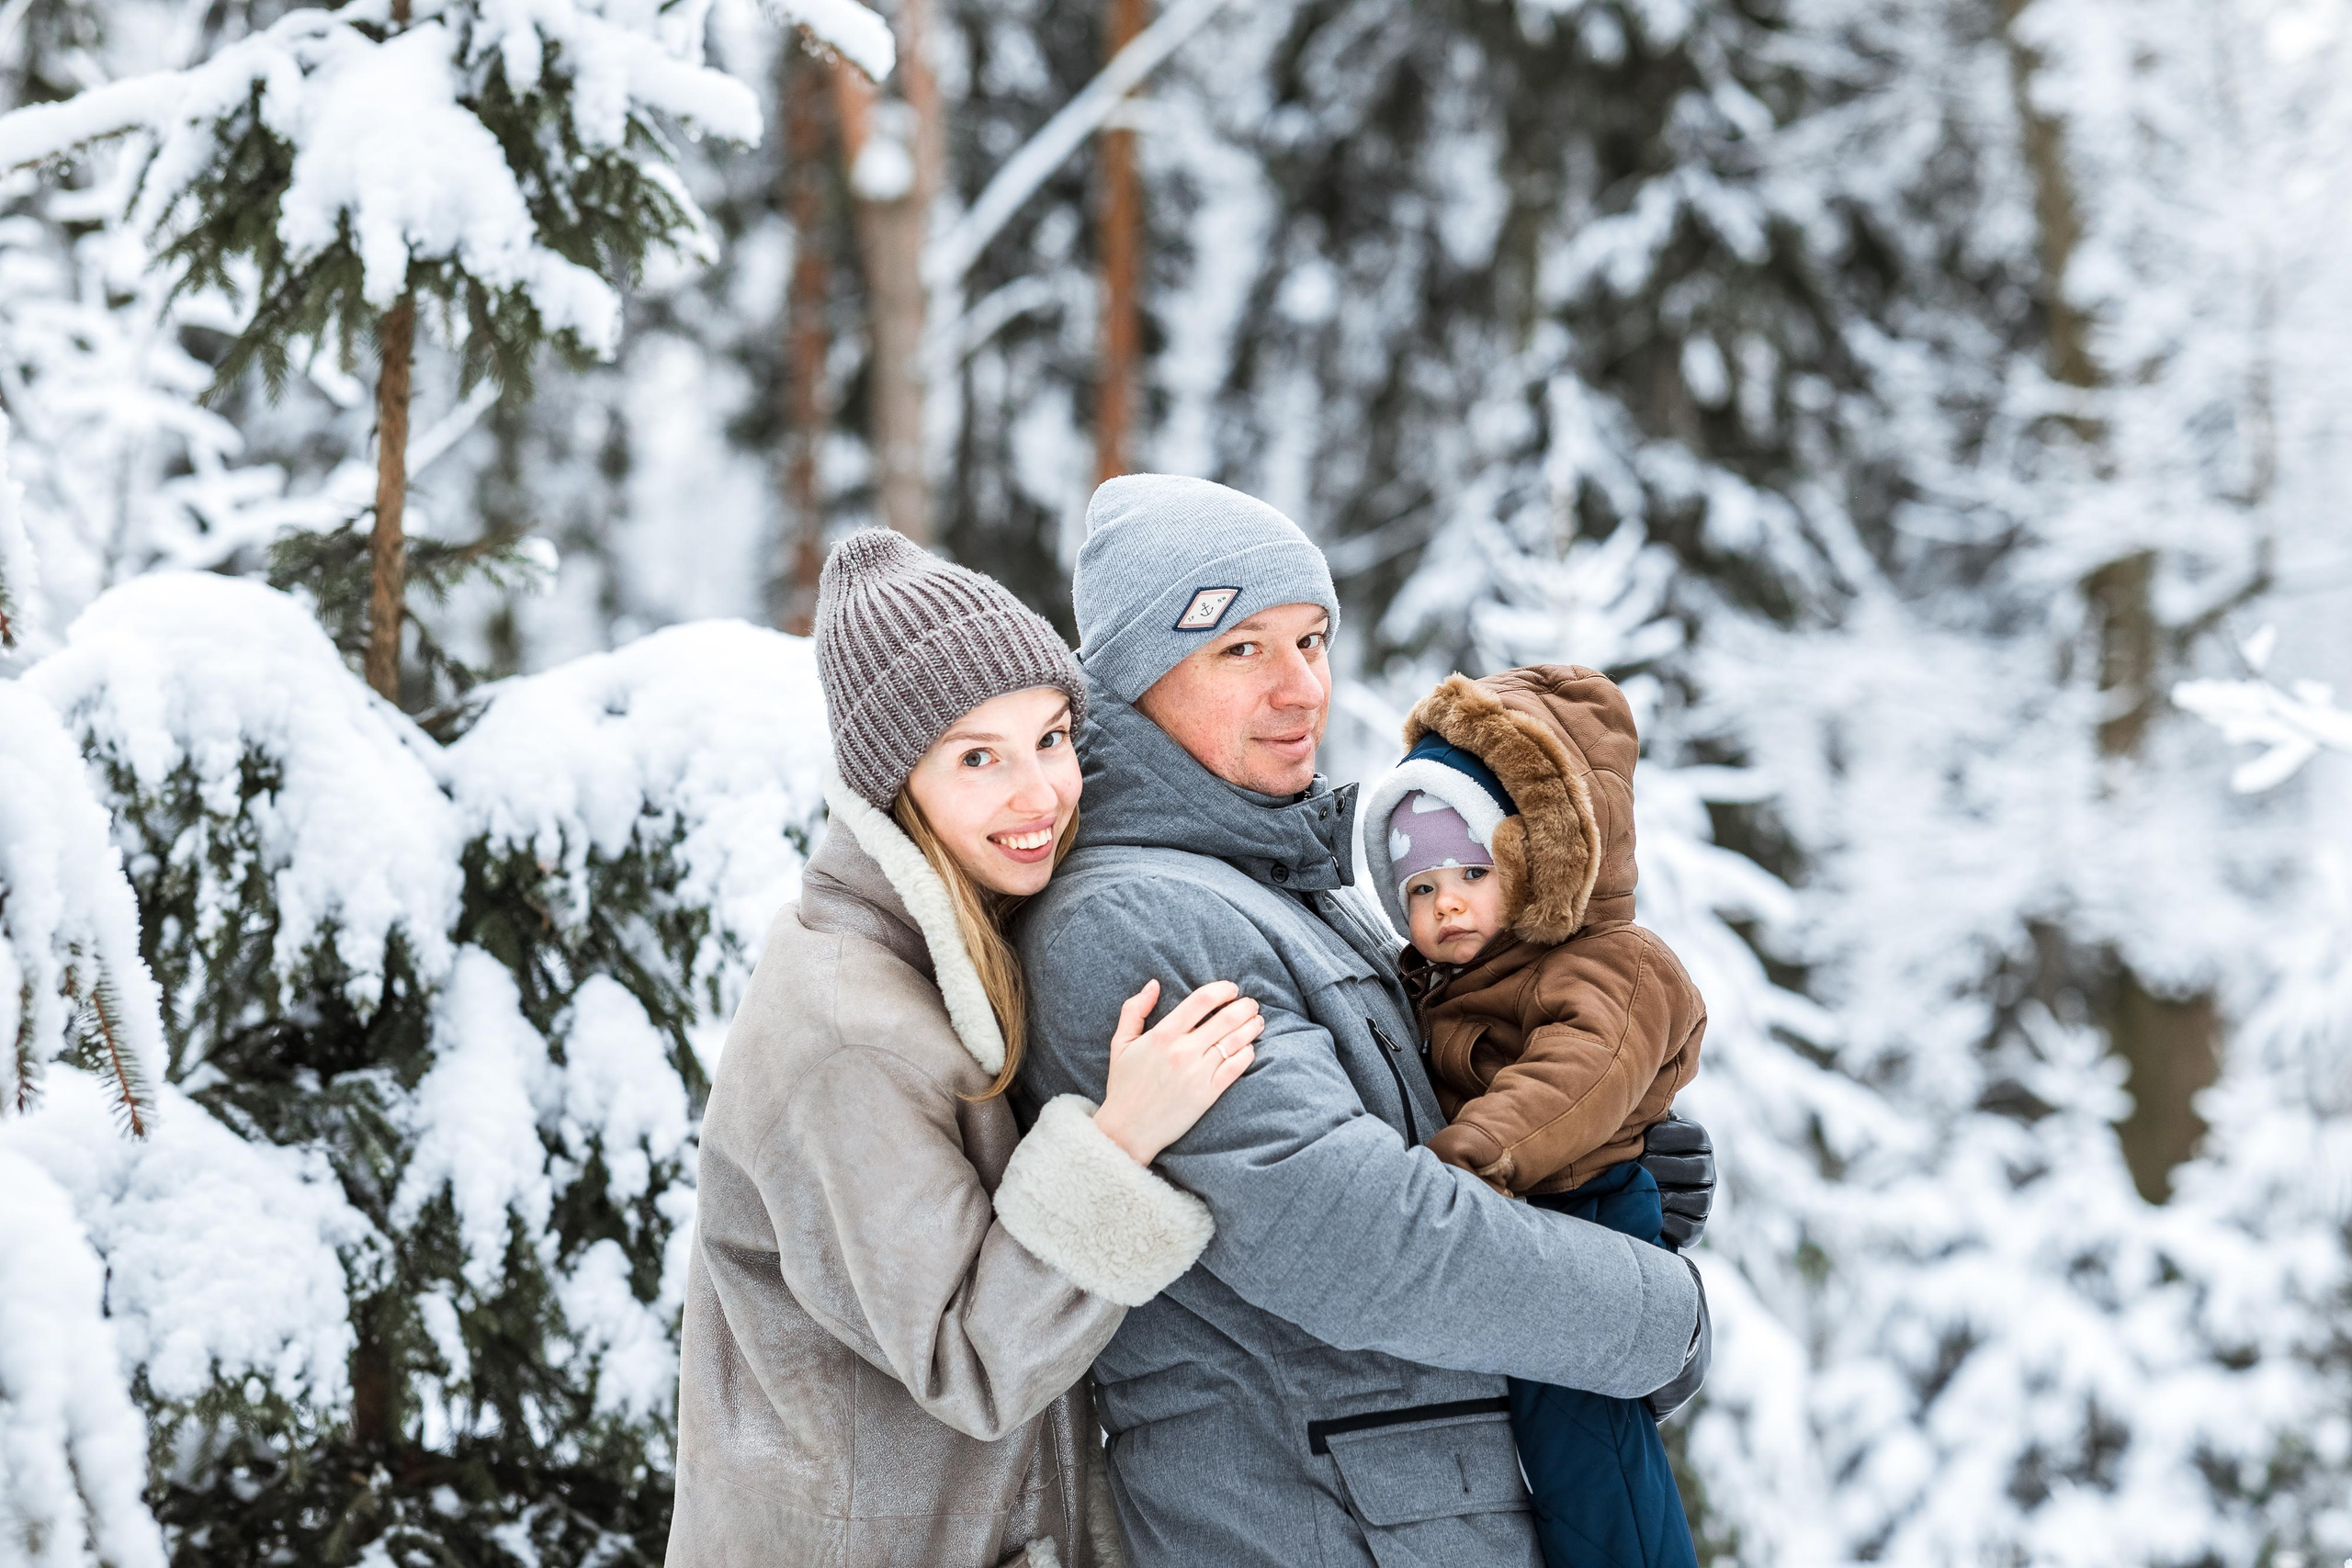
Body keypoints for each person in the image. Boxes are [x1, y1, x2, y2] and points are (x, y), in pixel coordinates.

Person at [1012, 475, 1715, 1568]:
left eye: (1312, 640)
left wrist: (1590, 1161)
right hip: (1306, 1526)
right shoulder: (1137, 920)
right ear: (1136, 678)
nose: (1303, 691)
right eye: (1242, 649)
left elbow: (1414, 1128)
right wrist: (1653, 1314)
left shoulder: (1285, 890)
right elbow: (1358, 1240)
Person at [667, 529, 1265, 1568]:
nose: (1038, 793)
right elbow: (971, 1359)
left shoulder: (955, 940)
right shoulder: (850, 1031)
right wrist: (1117, 1144)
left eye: (1050, 737)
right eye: (978, 757)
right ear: (897, 780)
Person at [1361, 664, 1706, 1568]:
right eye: (1420, 889)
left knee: (1587, 1452)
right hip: (1513, 1227)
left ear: (1538, 859)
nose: (1446, 906)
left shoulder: (1611, 965)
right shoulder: (1454, 974)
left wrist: (1462, 1158)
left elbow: (1571, 1082)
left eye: (1471, 872)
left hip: (1585, 1218)